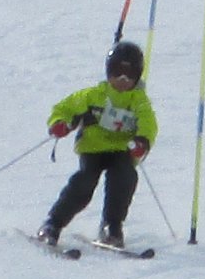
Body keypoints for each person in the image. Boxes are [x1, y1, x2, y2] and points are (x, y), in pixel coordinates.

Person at [36, 41, 158, 248]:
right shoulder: (94, 95)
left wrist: (142, 142)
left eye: (129, 75)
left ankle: (112, 226)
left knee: (124, 177)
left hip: (121, 150)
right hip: (92, 148)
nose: (122, 79)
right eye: (117, 72)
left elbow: (149, 124)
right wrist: (60, 123)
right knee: (84, 182)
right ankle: (53, 223)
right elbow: (65, 108)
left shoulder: (139, 101)